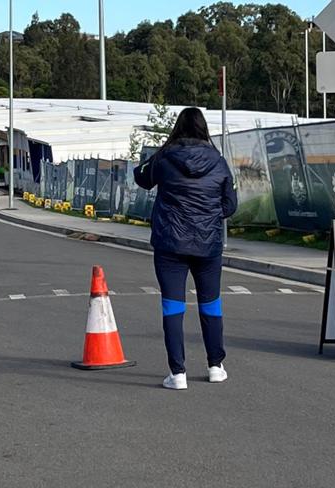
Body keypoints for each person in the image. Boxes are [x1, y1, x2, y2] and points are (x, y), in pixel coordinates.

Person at [134, 107, 237, 390]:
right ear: (204, 129)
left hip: (170, 243)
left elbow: (141, 177)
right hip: (208, 244)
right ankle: (215, 365)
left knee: (172, 306)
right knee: (211, 305)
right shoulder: (218, 161)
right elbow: (230, 205)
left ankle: (177, 373)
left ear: (177, 128)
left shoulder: (165, 157)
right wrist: (209, 214)